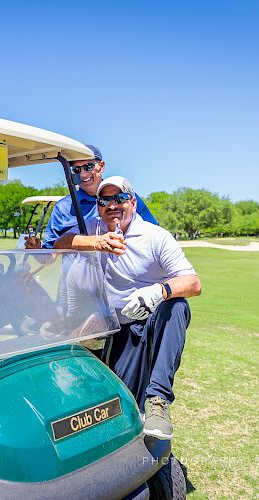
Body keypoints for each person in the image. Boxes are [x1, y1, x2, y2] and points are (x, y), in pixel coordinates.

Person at [54, 176, 201, 440]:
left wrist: (159, 291)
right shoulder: (94, 227)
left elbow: (193, 282)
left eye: (119, 198)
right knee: (124, 402)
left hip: (152, 320)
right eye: (104, 201)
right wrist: (94, 243)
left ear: (132, 202)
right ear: (98, 207)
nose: (112, 205)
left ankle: (158, 400)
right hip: (116, 326)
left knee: (177, 306)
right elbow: (60, 243)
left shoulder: (155, 236)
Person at [41, 145, 157, 249]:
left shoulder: (125, 197)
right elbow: (49, 253)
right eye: (77, 169)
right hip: (80, 273)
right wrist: (35, 249)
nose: (83, 174)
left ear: (102, 166)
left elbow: (153, 233)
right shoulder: (63, 207)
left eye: (88, 167)